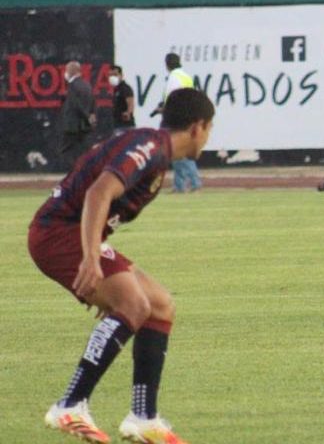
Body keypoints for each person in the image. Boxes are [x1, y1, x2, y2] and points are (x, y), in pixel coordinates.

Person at [29, 88, 214, 443]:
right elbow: (98, 193)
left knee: (159, 304)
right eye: (209, 128)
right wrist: (91, 258)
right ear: (197, 127)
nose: (208, 137)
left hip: (70, 232)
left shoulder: (154, 150)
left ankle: (143, 417)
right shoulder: (150, 149)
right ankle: (70, 404)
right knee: (133, 304)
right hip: (59, 233)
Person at [151, 53, 201, 193]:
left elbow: (173, 99)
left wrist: (163, 109)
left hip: (176, 118)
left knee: (179, 151)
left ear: (167, 64)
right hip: (186, 116)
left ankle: (193, 182)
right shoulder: (185, 76)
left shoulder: (173, 78)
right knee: (177, 152)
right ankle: (180, 185)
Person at [59, 61, 97, 170]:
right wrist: (91, 116)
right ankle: (85, 169)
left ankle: (75, 170)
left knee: (65, 150)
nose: (65, 73)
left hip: (73, 125)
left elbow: (76, 105)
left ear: (72, 71)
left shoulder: (73, 85)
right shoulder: (87, 85)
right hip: (84, 125)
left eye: (67, 70)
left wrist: (86, 116)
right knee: (84, 150)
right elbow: (93, 102)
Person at [110, 65, 136, 132]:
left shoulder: (125, 88)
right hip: (116, 124)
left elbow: (131, 103)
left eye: (115, 75)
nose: (112, 77)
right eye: (110, 75)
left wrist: (128, 112)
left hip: (125, 126)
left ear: (121, 75)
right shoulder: (114, 89)